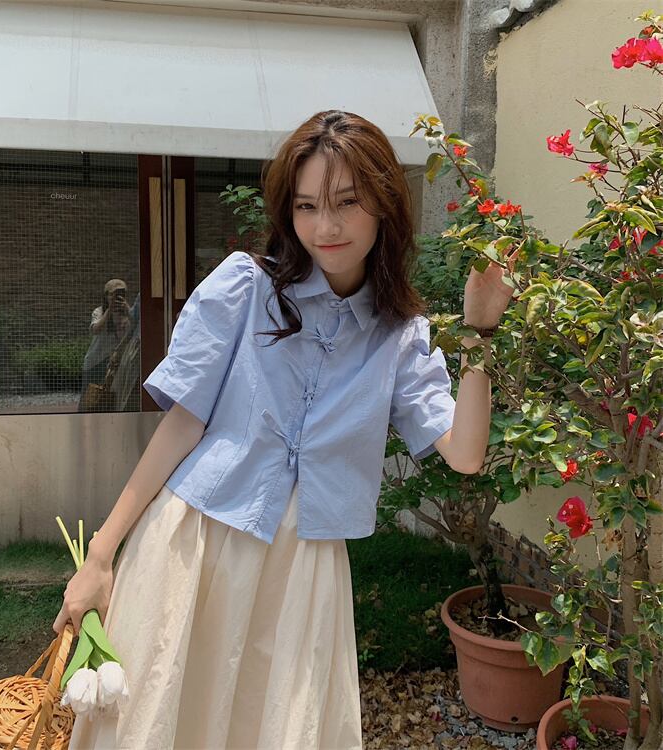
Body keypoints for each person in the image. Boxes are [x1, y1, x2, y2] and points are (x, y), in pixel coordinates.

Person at [54, 110, 517, 750]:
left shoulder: (398, 336)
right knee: (162, 721)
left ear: (385, 203)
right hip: (195, 543)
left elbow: (464, 454)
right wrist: (101, 556)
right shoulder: (245, 289)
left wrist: (479, 334)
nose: (326, 226)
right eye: (307, 206)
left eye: (347, 202)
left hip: (304, 569)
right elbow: (182, 427)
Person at [78, 279, 131, 410]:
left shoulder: (128, 313)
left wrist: (128, 310)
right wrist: (109, 311)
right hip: (96, 362)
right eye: (114, 294)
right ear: (106, 296)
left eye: (122, 294)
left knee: (111, 401)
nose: (118, 298)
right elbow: (95, 329)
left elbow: (136, 327)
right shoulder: (99, 311)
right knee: (89, 401)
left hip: (116, 364)